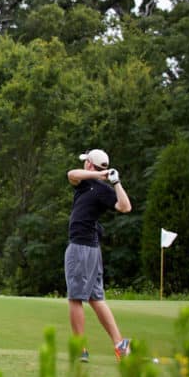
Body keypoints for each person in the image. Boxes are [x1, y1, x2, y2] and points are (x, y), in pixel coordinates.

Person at [65, 149, 132, 362]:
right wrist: (100, 175)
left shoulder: (103, 190)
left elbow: (125, 206)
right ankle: (119, 345)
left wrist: (116, 182)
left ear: (90, 164)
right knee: (95, 298)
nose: (84, 165)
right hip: (90, 249)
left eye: (87, 162)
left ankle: (80, 348)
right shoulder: (85, 182)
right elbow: (71, 174)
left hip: (81, 247)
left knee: (76, 298)